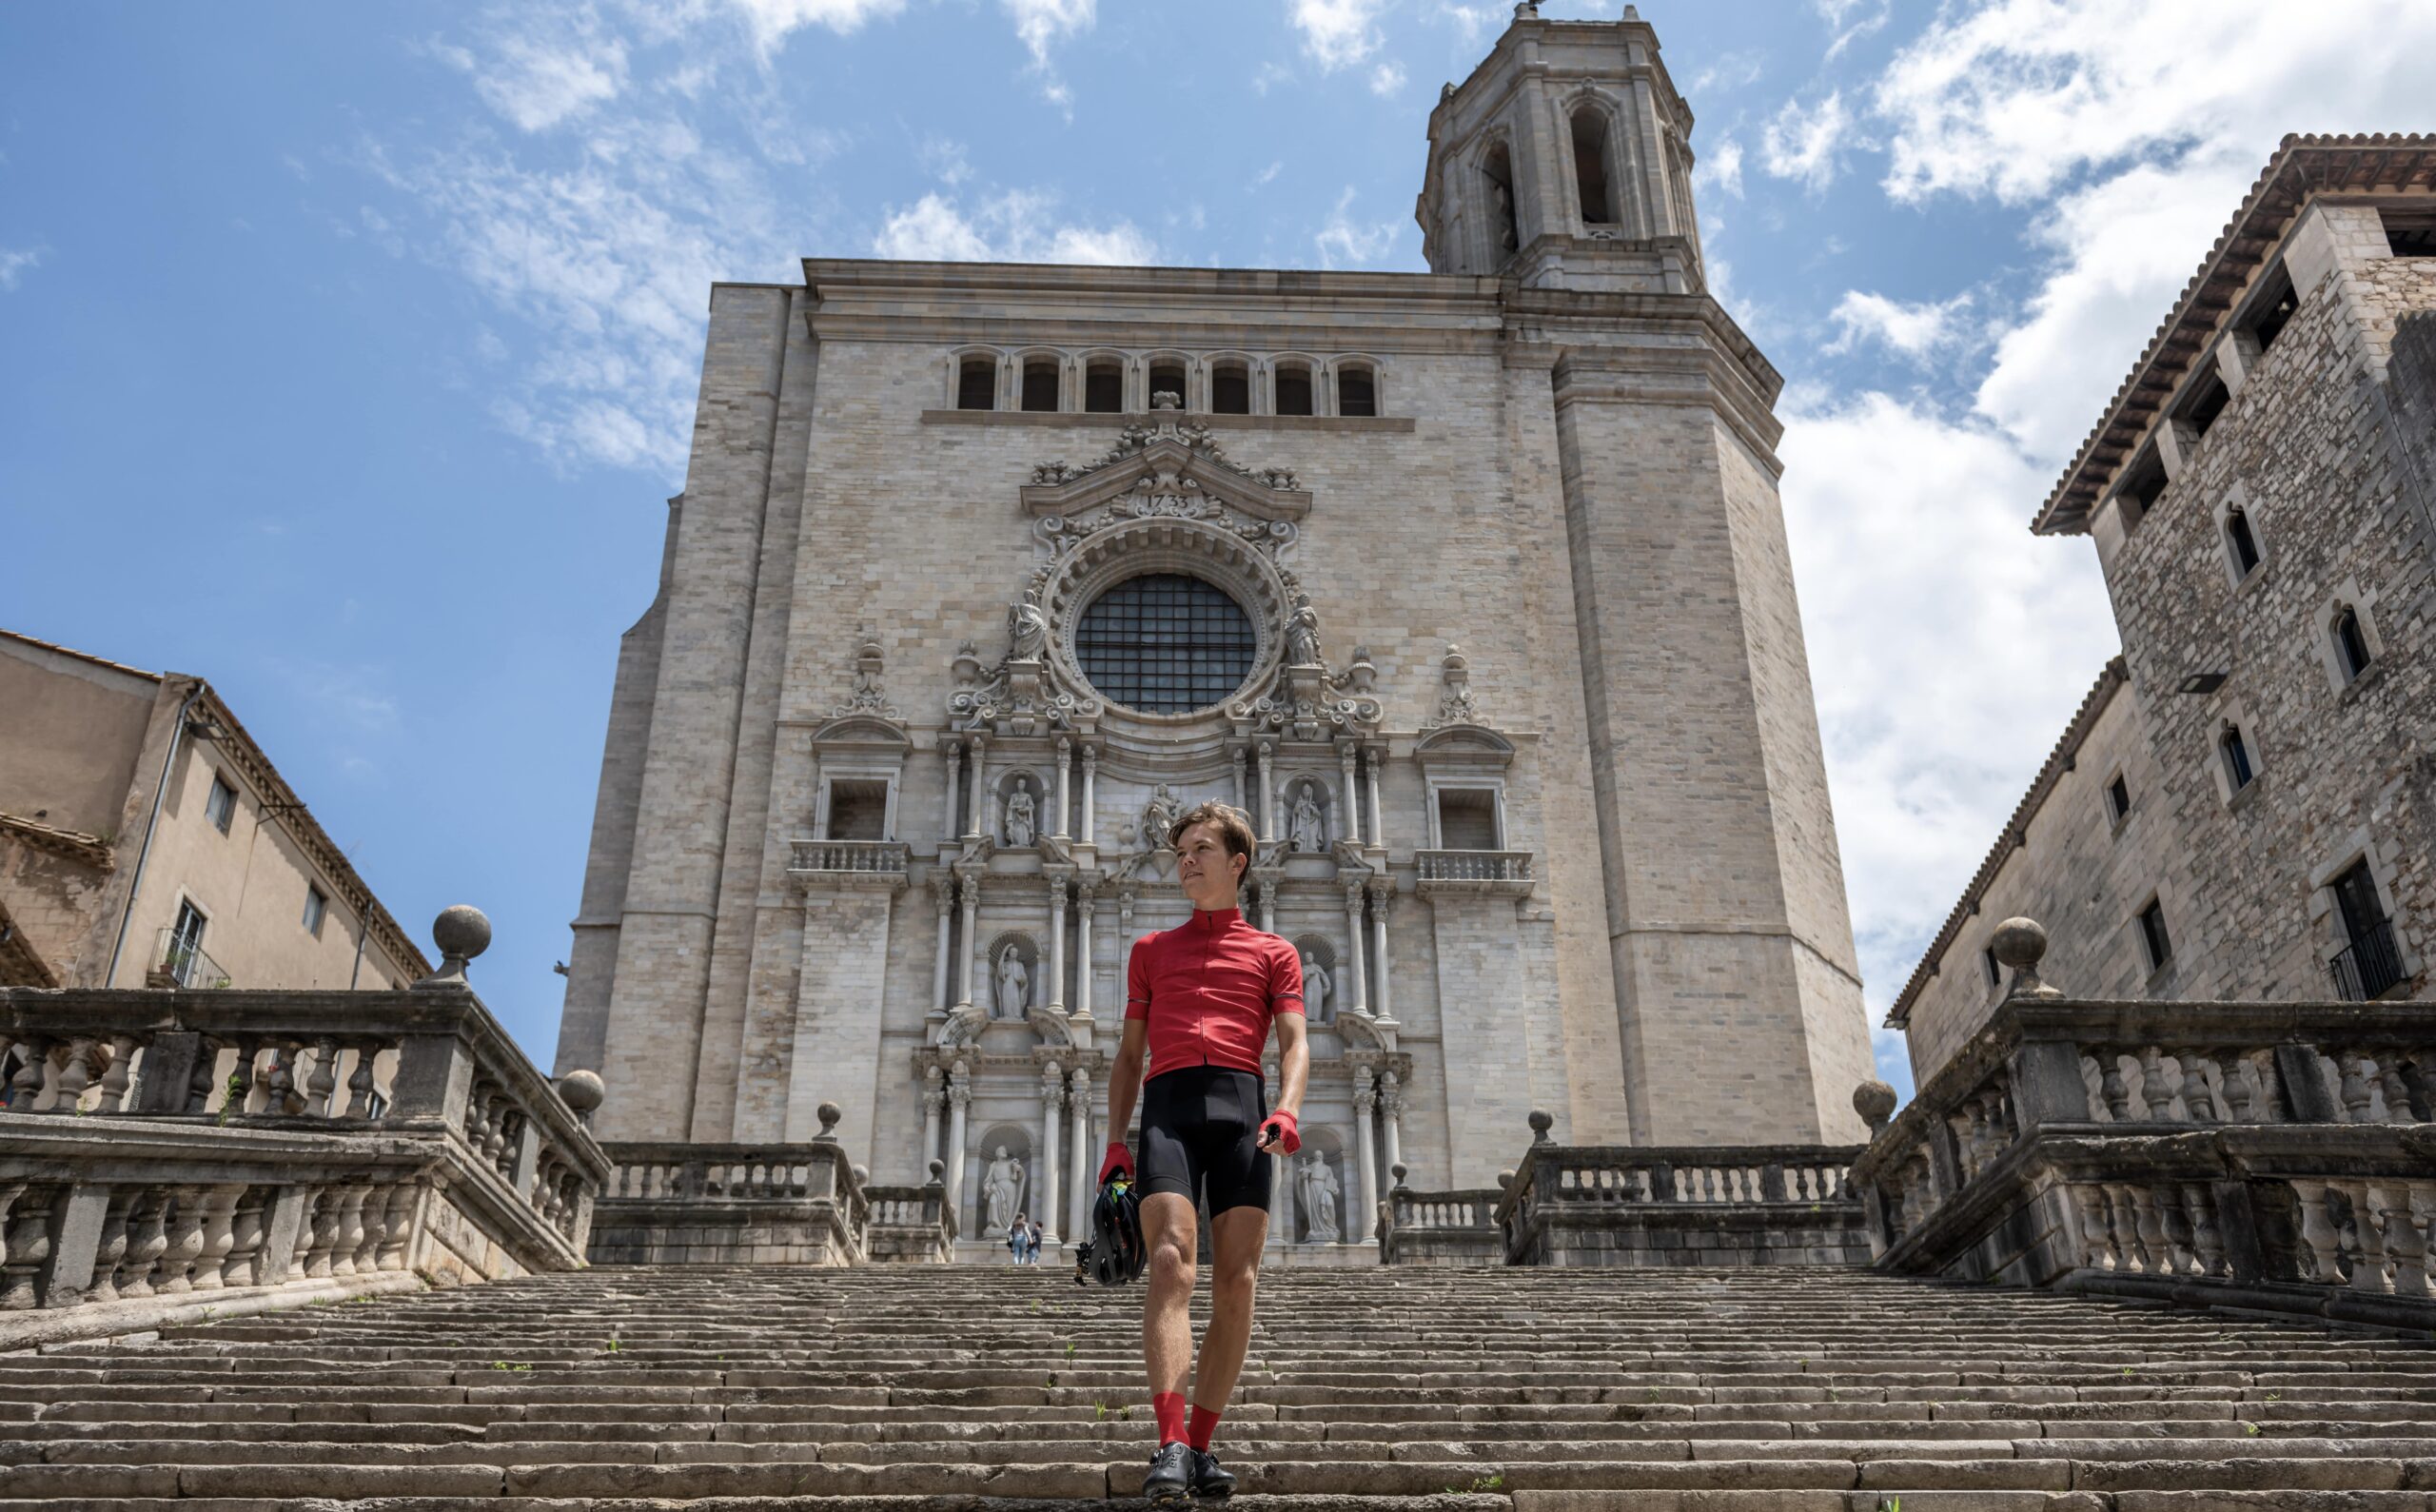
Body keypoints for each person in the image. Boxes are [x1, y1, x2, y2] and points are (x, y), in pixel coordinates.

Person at [1100, 800, 1307, 1504]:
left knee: (1238, 1281)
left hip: (1245, 1111)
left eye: (1200, 849)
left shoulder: (1276, 952)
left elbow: (1295, 1044)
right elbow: (1128, 1057)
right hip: (1169, 1109)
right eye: (1180, 851)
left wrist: (1287, 1109)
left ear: (1237, 862)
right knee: (1169, 1260)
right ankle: (1169, 1440)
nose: (1186, 861)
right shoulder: (1151, 950)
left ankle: (1201, 1441)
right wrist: (1115, 1143)